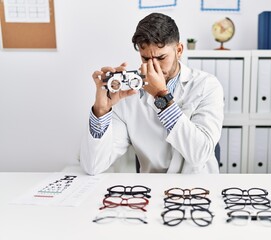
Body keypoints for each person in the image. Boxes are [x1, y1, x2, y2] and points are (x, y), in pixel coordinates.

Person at [80, 12, 224, 175]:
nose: (152, 67)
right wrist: (101, 111)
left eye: (161, 57)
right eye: (145, 59)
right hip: (151, 190)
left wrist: (161, 96)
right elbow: (93, 166)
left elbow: (200, 154)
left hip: (198, 190)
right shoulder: (128, 95)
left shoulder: (207, 85)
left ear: (179, 50)